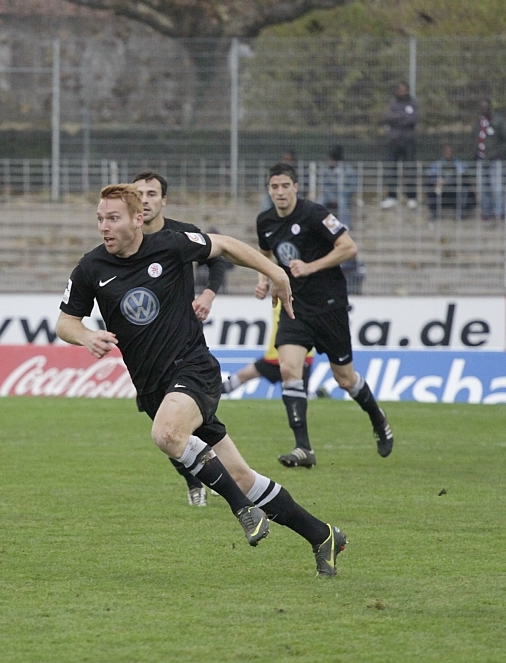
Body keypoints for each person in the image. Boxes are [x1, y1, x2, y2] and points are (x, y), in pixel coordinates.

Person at [57, 183, 347, 577]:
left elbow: (225, 246)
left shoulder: (171, 245)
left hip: (194, 370)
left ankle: (243, 510)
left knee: (167, 434)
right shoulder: (91, 268)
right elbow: (65, 322)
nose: (103, 227)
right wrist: (86, 335)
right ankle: (322, 535)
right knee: (241, 477)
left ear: (137, 219)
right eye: (100, 219)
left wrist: (275, 271)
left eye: (113, 218)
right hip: (155, 390)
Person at [257, 162, 394, 469]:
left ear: (296, 187)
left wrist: (310, 267)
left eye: (285, 186)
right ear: (269, 190)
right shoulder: (265, 221)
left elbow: (349, 247)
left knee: (344, 379)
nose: (280, 192)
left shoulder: (314, 214)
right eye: (274, 187)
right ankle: (303, 448)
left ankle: (377, 417)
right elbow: (265, 253)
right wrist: (264, 279)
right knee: (289, 369)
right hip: (294, 307)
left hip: (329, 306)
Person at [133, 171, 231, 507]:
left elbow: (218, 261)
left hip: (184, 351)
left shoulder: (181, 235)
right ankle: (194, 479)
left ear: (163, 200)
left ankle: (215, 480)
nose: (144, 200)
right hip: (145, 358)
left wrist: (208, 294)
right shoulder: (124, 241)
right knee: (166, 433)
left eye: (151, 193)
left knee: (188, 425)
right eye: (138, 194)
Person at [222, 301, 312, 396]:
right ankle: (215, 392)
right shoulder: (280, 297)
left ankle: (316, 395)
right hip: (274, 355)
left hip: (298, 354)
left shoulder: (301, 300)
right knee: (243, 375)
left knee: (296, 393)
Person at [317, 145, 365, 295]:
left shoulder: (347, 170)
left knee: (343, 202)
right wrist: (331, 196)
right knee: (319, 202)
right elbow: (323, 185)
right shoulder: (325, 170)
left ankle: (345, 225)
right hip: (329, 195)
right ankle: (316, 222)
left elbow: (353, 186)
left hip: (343, 195)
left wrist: (340, 194)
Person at [380, 82, 419, 210]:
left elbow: (413, 118)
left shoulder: (413, 104)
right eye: (400, 90)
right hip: (394, 141)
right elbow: (387, 117)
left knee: (410, 170)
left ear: (408, 91)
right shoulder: (392, 103)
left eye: (404, 90)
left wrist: (397, 118)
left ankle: (411, 198)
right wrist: (403, 117)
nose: (402, 92)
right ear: (397, 91)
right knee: (392, 169)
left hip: (408, 141)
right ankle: (392, 197)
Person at [473, 99, 506, 220]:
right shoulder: (478, 122)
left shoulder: (499, 121)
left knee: (497, 188)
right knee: (482, 187)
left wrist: (496, 153)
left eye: (486, 107)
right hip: (480, 159)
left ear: (490, 108)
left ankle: (498, 213)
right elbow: (474, 138)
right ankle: (486, 212)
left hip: (495, 160)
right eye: (481, 107)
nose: (483, 109)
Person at [427, 143, 475, 220]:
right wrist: (437, 181)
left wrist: (448, 181)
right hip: (441, 189)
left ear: (453, 153)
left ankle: (460, 215)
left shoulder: (458, 163)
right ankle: (434, 215)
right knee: (432, 190)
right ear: (443, 153)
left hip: (455, 188)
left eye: (450, 152)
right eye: (446, 152)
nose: (448, 154)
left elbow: (464, 173)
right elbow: (430, 174)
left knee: (464, 190)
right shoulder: (438, 163)